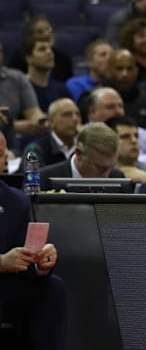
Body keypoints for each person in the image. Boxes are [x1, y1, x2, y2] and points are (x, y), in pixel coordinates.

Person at [0, 130, 67, 350]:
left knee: (52, 288)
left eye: (1, 154)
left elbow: (23, 258)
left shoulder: (15, 201)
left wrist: (40, 263)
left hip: (5, 287)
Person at [39, 122, 125, 190]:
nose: (106, 176)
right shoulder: (43, 180)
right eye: (100, 167)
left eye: (111, 167)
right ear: (79, 153)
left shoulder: (118, 179)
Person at [22, 98, 81, 169]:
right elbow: (33, 179)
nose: (75, 119)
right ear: (51, 121)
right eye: (67, 115)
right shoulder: (34, 150)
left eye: (77, 114)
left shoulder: (84, 147)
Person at [106, 116, 146, 185]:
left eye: (136, 136)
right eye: (125, 137)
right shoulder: (103, 177)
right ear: (109, 142)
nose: (134, 140)